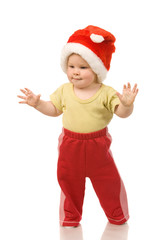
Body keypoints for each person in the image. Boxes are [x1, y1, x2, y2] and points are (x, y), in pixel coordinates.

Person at [18, 25, 138, 227]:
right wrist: (38, 104)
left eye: (83, 67)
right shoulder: (65, 90)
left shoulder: (106, 92)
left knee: (109, 182)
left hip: (98, 147)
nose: (75, 72)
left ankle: (117, 216)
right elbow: (54, 109)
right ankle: (70, 217)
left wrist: (127, 105)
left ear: (98, 69)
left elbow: (122, 114)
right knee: (68, 182)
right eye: (71, 66)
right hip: (70, 146)